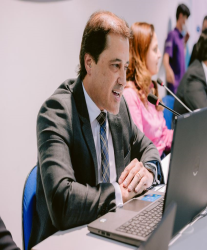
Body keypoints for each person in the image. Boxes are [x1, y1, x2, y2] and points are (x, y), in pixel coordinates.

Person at [28, 11, 162, 249]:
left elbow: (149, 148)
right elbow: (63, 201)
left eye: (126, 66)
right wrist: (120, 193)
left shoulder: (119, 109)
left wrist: (148, 173)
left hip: (113, 231)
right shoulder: (56, 112)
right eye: (115, 66)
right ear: (89, 63)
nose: (123, 78)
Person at [123, 22, 173, 159]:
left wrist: (187, 132)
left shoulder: (150, 88)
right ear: (141, 54)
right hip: (150, 166)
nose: (159, 55)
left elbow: (164, 136)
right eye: (155, 49)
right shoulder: (130, 95)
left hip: (163, 159)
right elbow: (139, 149)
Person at [163, 4, 191, 94]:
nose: (186, 22)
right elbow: (166, 57)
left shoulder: (181, 37)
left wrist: (185, 42)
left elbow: (181, 56)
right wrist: (168, 69)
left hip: (182, 85)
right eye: (186, 18)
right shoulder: (172, 35)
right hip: (174, 87)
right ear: (180, 16)